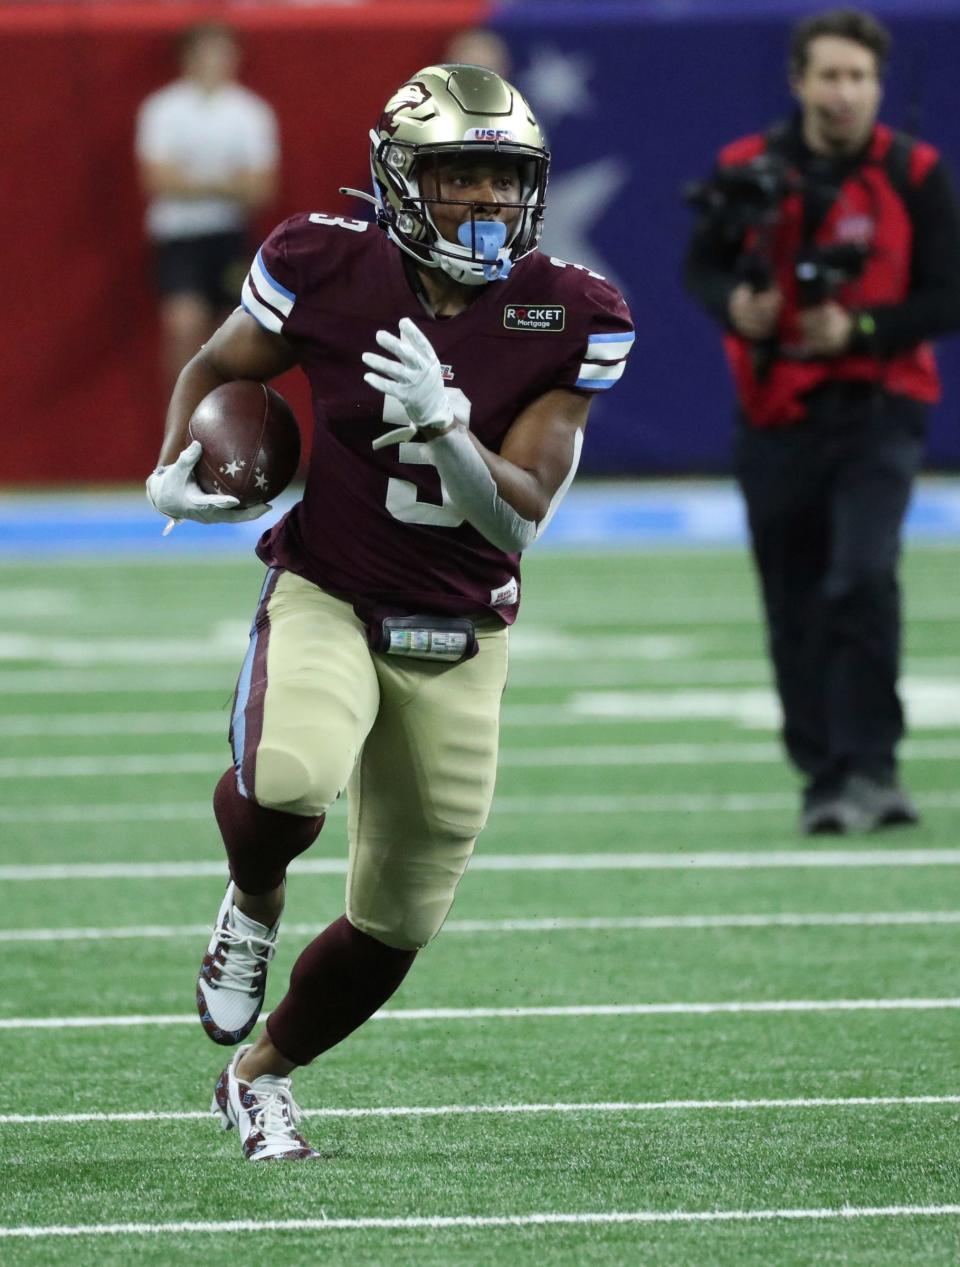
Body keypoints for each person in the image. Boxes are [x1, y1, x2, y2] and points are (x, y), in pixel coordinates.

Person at [145, 63, 633, 1161]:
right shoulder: (326, 263)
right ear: (401, 178)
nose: (482, 202)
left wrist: (452, 433)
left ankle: (258, 1077)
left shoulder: (571, 311)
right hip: (334, 585)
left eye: (502, 180)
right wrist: (173, 466)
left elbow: (516, 522)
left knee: (398, 919)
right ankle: (253, 901)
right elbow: (219, 366)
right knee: (288, 778)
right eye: (456, 175)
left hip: (465, 628)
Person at [684, 8, 960, 835]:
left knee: (863, 575)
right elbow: (701, 264)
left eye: (859, 78)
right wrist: (737, 305)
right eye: (830, 76)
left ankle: (875, 764)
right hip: (774, 409)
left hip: (880, 405)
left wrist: (864, 328)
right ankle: (824, 773)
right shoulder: (747, 167)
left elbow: (950, 292)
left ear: (878, 86)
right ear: (799, 80)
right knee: (792, 594)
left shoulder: (915, 171)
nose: (844, 93)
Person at [135, 22, 280, 391]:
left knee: (234, 331)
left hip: (230, 235)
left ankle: (226, 417)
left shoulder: (250, 112)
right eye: (207, 52)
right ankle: (181, 419)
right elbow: (158, 181)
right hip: (179, 236)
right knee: (184, 324)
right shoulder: (162, 109)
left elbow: (261, 189)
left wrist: (189, 182)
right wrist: (228, 183)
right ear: (187, 57)